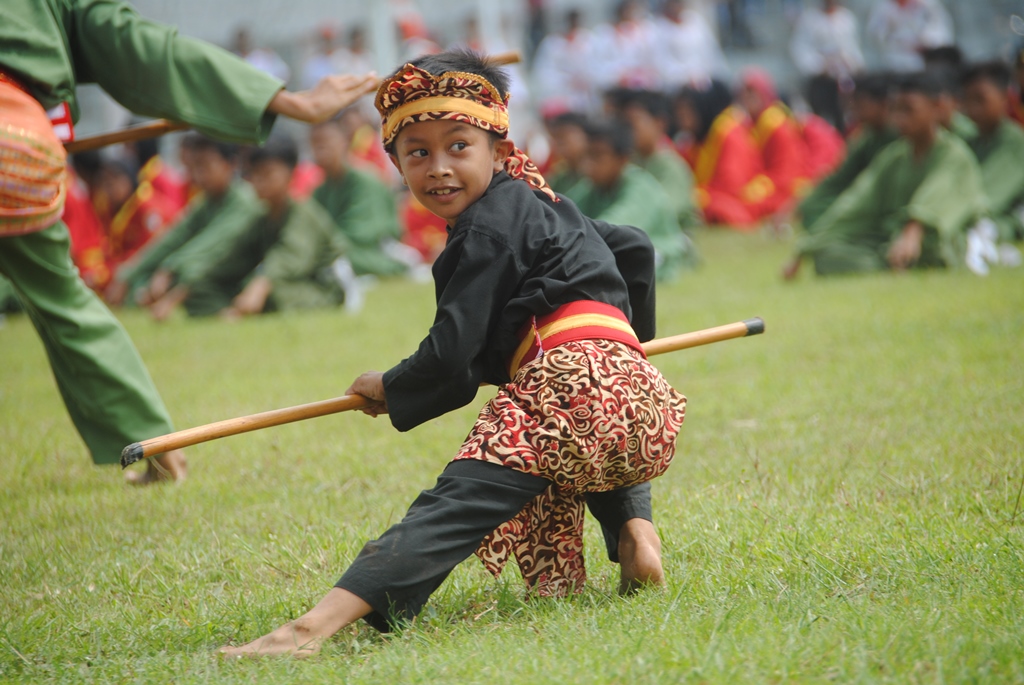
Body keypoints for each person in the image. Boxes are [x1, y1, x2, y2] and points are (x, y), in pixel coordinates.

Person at [219, 50, 686, 659]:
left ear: (497, 148)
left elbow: (449, 358)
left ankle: (307, 631)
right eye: (418, 152)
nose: (439, 168)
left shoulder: (485, 227)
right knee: (585, 437)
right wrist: (631, 348)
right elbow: (633, 247)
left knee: (452, 506)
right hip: (643, 401)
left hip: (569, 381)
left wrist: (389, 385)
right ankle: (635, 533)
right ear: (395, 163)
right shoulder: (548, 202)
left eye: (457, 147)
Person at [0, 0, 377, 483]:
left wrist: (199, 286)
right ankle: (154, 442)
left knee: (260, 292)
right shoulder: (218, 202)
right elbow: (137, 48)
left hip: (320, 281)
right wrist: (150, 278)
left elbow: (275, 257)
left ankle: (155, 445)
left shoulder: (270, 202)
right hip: (19, 136)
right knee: (69, 300)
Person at [782, 72, 987, 278]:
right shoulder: (894, 155)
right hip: (888, 241)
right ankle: (893, 263)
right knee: (827, 257)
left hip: (936, 242)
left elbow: (935, 197)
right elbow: (856, 202)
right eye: (896, 110)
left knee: (934, 249)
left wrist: (912, 233)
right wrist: (807, 247)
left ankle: (902, 261)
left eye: (908, 110)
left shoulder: (954, 155)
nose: (899, 119)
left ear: (937, 108)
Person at [150, 137, 347, 319]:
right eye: (256, 175)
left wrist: (260, 286)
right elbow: (230, 258)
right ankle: (228, 313)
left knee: (274, 293)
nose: (261, 182)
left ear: (290, 173)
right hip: (272, 281)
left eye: (268, 174)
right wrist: (179, 294)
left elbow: (288, 258)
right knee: (202, 288)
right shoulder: (261, 216)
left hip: (321, 284)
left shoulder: (302, 211)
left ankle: (242, 310)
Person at [106, 135, 263, 309]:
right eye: (195, 167)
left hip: (229, 278)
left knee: (191, 278)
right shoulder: (207, 201)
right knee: (141, 281)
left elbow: (210, 244)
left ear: (230, 164)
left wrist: (170, 269)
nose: (198, 175)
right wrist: (128, 274)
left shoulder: (244, 201)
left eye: (205, 166)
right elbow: (172, 237)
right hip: (188, 269)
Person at [567, 119, 696, 281]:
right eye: (586, 155)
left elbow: (612, 228)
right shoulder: (591, 187)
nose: (588, 164)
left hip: (659, 252)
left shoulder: (639, 187)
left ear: (623, 158)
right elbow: (563, 216)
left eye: (598, 156)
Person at [309, 117, 408, 278]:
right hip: (338, 247)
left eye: (326, 142)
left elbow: (365, 233)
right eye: (315, 144)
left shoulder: (364, 180)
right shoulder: (320, 190)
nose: (321, 149)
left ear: (344, 142)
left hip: (371, 249)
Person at [798, 73, 899, 229]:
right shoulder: (866, 136)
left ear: (883, 104)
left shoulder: (899, 137)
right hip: (859, 195)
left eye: (861, 103)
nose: (854, 108)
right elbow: (840, 175)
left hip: (883, 199)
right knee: (814, 205)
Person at [674, 80, 765, 229]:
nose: (682, 120)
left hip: (741, 198)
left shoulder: (729, 133)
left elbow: (732, 185)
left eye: (687, 112)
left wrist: (698, 195)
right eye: (679, 113)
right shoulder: (697, 139)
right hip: (715, 195)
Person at [960, 61, 1024, 271]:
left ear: (1005, 97)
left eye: (980, 99)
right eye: (967, 100)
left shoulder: (1014, 143)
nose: (972, 109)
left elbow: (986, 201)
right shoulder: (972, 141)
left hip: (1006, 223)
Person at [619, 89, 702, 230]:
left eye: (635, 122)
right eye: (626, 124)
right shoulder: (630, 162)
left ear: (659, 123)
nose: (629, 130)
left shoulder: (672, 166)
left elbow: (667, 211)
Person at [737, 69, 810, 220]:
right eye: (744, 93)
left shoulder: (775, 124)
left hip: (786, 184)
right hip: (767, 180)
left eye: (752, 93)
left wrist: (761, 185)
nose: (747, 98)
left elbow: (786, 170)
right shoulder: (753, 123)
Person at [94, 156, 181, 273]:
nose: (110, 187)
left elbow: (149, 251)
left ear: (129, 178)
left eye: (115, 180)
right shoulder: (112, 207)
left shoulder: (148, 209)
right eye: (106, 182)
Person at [789, 0, 865, 132]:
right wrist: (819, 66)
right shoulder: (809, 19)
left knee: (843, 116)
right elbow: (800, 48)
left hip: (843, 77)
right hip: (821, 78)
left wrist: (852, 63)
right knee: (820, 116)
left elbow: (852, 47)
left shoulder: (846, 18)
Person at [531, 9, 597, 113]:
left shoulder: (589, 40)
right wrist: (566, 81)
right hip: (560, 94)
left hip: (585, 96)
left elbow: (597, 66)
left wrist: (586, 79)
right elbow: (543, 71)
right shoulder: (552, 43)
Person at [656, 0, 727, 90]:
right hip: (677, 83)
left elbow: (709, 52)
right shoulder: (659, 27)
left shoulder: (695, 20)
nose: (676, 6)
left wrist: (704, 75)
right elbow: (663, 62)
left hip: (703, 78)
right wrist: (686, 77)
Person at [866, 0, 953, 73]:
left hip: (925, 62)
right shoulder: (884, 7)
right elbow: (875, 35)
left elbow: (941, 32)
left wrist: (925, 41)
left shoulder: (928, 5)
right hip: (893, 62)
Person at [543, 112, 590, 195]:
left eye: (562, 138)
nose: (558, 145)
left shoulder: (593, 176)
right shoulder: (560, 176)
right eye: (556, 139)